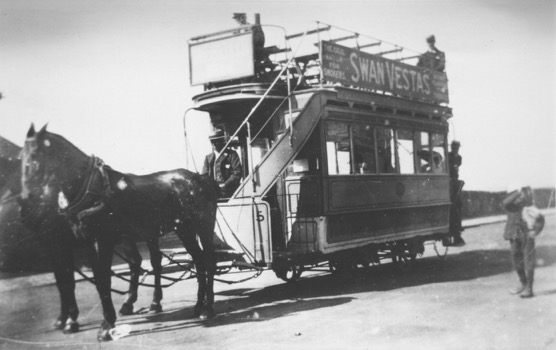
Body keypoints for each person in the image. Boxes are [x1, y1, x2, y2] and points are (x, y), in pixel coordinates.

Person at [503, 185, 543, 298]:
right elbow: (506, 202)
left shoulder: (530, 207)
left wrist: (535, 231)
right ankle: (523, 283)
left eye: (522, 196)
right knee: (516, 259)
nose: (519, 198)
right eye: (517, 196)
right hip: (514, 235)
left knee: (528, 262)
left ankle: (529, 289)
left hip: (527, 236)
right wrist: (518, 192)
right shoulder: (511, 206)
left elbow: (540, 220)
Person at [201, 129, 242, 198]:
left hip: (230, 193)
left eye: (215, 141)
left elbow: (236, 174)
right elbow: (204, 175)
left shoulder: (232, 155)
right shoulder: (208, 158)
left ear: (222, 141)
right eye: (212, 141)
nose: (213, 144)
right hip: (213, 194)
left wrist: (225, 185)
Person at [446, 141, 465, 246]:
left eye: (457, 147)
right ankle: (454, 229)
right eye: (454, 147)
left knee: (458, 204)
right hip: (450, 181)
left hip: (455, 181)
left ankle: (457, 227)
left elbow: (456, 167)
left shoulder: (459, 158)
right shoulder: (449, 156)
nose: (455, 149)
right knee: (454, 204)